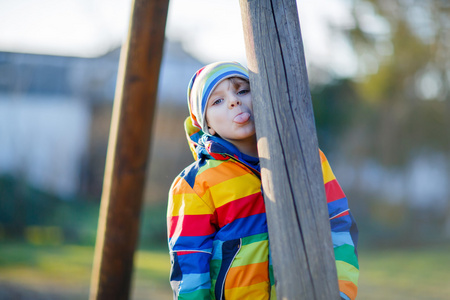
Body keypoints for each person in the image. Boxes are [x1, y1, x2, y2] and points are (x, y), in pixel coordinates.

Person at [167, 61, 359, 300]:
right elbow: (190, 266)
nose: (234, 101)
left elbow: (338, 224)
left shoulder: (307, 157)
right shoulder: (195, 183)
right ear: (206, 125)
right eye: (217, 101)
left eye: (242, 90)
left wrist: (340, 292)